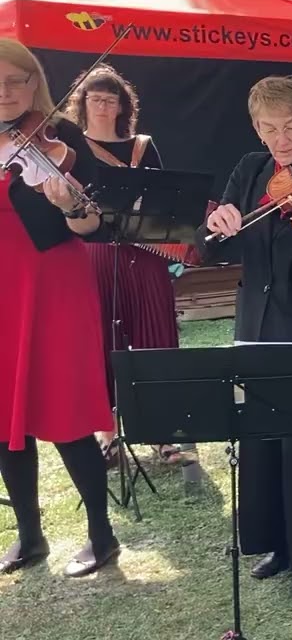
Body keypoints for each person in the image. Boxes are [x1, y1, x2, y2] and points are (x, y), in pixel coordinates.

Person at [194, 75, 292, 598]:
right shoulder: (250, 170)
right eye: (270, 129)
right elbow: (213, 246)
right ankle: (276, 545)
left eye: (290, 127)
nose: (282, 139)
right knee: (260, 438)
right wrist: (217, 222)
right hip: (255, 321)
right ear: (257, 130)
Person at [0, 38, 120, 577]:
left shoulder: (62, 137)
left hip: (53, 286)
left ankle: (102, 534)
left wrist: (70, 202)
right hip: (3, 289)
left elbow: (94, 224)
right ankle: (30, 536)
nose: (4, 93)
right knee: (5, 418)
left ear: (34, 84)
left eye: (15, 81)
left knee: (66, 411)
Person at [66, 64, 189, 465]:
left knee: (156, 335)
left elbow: (164, 195)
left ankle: (163, 432)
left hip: (145, 250)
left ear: (123, 106)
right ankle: (105, 433)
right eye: (95, 99)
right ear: (83, 104)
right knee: (100, 339)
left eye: (110, 99)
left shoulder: (142, 145)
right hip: (96, 253)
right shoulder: (70, 147)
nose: (102, 106)